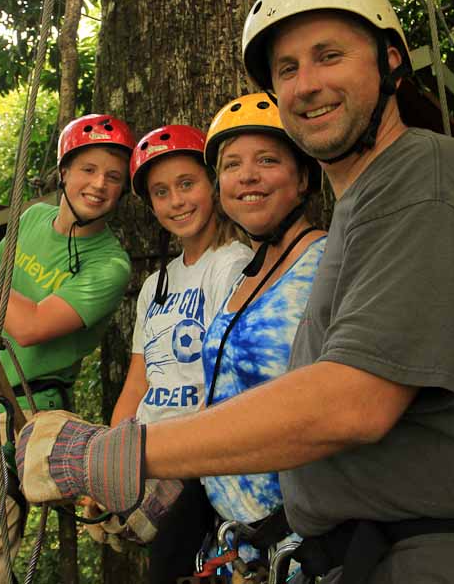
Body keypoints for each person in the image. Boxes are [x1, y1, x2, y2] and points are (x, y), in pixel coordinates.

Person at [15, 0, 454, 584]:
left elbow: (353, 402)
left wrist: (118, 454)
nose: (307, 85)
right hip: (354, 550)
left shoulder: (425, 178)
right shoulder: (363, 211)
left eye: (329, 56)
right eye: (287, 70)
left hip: (443, 553)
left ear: (390, 63)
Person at [0, 114, 135, 584]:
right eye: (88, 169)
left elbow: (28, 325)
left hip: (20, 413)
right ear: (64, 172)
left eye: (113, 177)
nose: (99, 184)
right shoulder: (34, 218)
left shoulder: (111, 265)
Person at [106, 124, 251, 581]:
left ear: (211, 184)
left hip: (198, 460)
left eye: (187, 184)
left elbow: (230, 379)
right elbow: (138, 379)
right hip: (151, 452)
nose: (177, 201)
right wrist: (110, 459)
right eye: (161, 193)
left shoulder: (233, 263)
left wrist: (186, 466)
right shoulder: (157, 284)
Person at [198, 93, 326, 569]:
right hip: (231, 543)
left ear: (303, 177)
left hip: (301, 543)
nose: (247, 176)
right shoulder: (240, 276)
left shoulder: (328, 262)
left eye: (267, 160)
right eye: (232, 165)